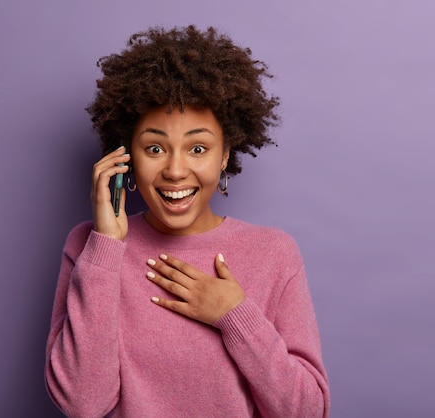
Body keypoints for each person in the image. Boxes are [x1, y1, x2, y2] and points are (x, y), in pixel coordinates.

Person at [45, 25, 330, 418]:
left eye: (198, 148)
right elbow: (83, 403)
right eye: (155, 148)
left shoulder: (274, 253)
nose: (176, 170)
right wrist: (106, 249)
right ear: (126, 155)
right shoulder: (90, 248)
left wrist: (237, 317)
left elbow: (306, 411)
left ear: (224, 154)